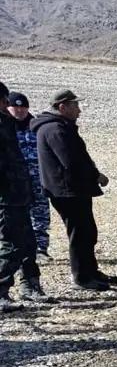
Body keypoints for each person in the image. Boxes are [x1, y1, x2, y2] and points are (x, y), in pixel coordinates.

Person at [31, 89, 116, 292]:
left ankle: (91, 271)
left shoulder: (61, 126)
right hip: (67, 191)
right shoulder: (54, 129)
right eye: (75, 106)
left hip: (74, 189)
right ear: (62, 107)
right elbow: (71, 161)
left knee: (88, 231)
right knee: (79, 234)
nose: (79, 110)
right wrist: (96, 176)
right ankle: (82, 277)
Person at [0, 81, 47, 309]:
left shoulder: (7, 123)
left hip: (21, 192)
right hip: (6, 198)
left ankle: (30, 285)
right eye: (5, 102)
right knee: (10, 244)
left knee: (28, 242)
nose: (9, 106)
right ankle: (1, 291)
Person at [6, 92, 52, 264]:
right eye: (15, 107)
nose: (19, 110)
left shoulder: (36, 127)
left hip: (38, 181)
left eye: (23, 107)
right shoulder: (5, 128)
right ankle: (15, 250)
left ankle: (41, 249)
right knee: (13, 217)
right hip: (14, 182)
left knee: (40, 216)